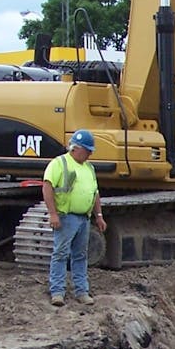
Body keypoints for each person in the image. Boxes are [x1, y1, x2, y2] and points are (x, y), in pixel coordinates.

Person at [42, 129, 107, 306]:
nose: (90, 154)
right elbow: (47, 187)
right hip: (66, 217)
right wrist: (53, 214)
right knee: (61, 254)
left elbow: (95, 193)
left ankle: (81, 291)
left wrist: (98, 216)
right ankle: (57, 292)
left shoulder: (89, 168)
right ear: (75, 148)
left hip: (83, 219)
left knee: (80, 255)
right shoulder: (59, 163)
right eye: (87, 151)